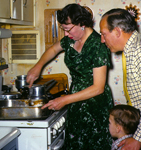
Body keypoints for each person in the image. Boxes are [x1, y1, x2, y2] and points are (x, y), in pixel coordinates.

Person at [27, 3, 114, 149]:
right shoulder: (70, 40)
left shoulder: (98, 45)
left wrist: (65, 100)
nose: (66, 34)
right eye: (63, 29)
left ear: (81, 24)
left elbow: (98, 88)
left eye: (68, 29)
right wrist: (38, 66)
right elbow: (53, 49)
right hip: (76, 101)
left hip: (95, 105)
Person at [100, 8, 141, 150]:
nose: (102, 40)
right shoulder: (132, 51)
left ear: (117, 31)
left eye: (104, 34)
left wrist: (138, 138)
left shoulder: (138, 54)